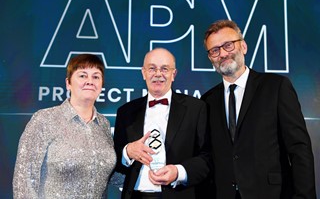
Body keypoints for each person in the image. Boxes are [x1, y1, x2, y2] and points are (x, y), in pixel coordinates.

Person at [201, 19, 316, 198]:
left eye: (228, 45)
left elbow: (299, 148)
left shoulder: (276, 87)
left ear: (243, 47)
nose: (222, 53)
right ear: (210, 58)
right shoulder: (207, 100)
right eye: (215, 50)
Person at [12, 54, 116, 198]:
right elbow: (24, 180)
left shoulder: (103, 124)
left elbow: (107, 176)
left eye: (96, 77)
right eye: (82, 75)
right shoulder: (45, 119)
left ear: (101, 85)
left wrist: (141, 167)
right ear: (68, 83)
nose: (90, 81)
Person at [113, 48, 211, 199]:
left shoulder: (196, 108)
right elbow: (113, 159)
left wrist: (178, 172)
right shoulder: (125, 112)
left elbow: (207, 157)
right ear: (143, 73)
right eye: (152, 68)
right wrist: (128, 152)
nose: (158, 74)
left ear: (174, 74)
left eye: (164, 69)